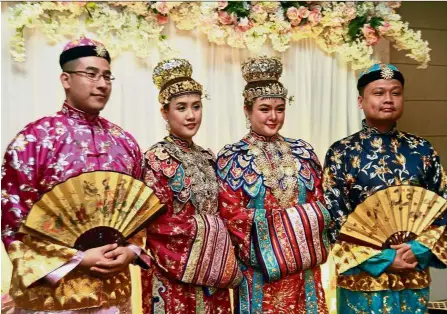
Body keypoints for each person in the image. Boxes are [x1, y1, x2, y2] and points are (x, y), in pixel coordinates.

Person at [1, 36, 148, 313]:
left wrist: (131, 250)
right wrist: (77, 258)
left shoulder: (125, 143)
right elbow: (15, 222)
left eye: (107, 76)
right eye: (91, 74)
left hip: (112, 293)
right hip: (52, 298)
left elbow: (138, 212)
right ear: (65, 79)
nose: (102, 84)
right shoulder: (34, 140)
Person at [323, 63, 447, 314]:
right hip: (362, 278)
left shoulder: (422, 150)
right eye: (379, 93)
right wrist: (386, 259)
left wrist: (418, 249)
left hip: (413, 274)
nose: (388, 99)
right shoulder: (341, 152)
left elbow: (442, 208)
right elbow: (334, 217)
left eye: (396, 92)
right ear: (361, 100)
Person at [216, 56, 330, 313]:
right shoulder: (231, 157)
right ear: (247, 110)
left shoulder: (304, 152)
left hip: (305, 272)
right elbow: (231, 215)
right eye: (265, 109)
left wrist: (292, 226)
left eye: (280, 109)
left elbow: (321, 206)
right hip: (260, 271)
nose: (273, 116)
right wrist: (295, 227)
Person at [140, 58, 242, 314]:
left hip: (213, 274)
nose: (191, 115)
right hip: (173, 276)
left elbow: (223, 211)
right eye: (181, 107)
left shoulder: (208, 158)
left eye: (196, 107)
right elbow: (157, 225)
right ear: (165, 112)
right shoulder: (156, 158)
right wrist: (214, 233)